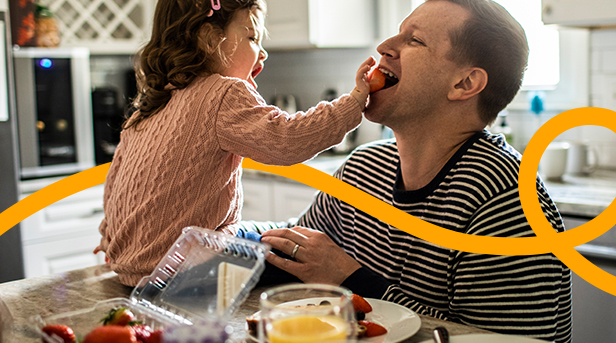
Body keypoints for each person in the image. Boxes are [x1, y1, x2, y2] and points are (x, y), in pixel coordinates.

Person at [235, 0, 572, 342]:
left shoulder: (507, 201)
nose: (383, 48)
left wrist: (351, 278)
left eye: (414, 40)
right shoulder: (364, 167)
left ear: (464, 83)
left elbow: (491, 338)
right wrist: (213, 236)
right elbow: (296, 244)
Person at [95, 0, 376, 287]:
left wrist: (110, 237)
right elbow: (287, 140)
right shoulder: (222, 93)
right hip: (188, 270)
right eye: (252, 37)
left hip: (131, 271)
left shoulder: (147, 108)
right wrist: (352, 104)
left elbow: (115, 186)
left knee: (270, 234)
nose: (262, 51)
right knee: (304, 258)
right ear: (209, 39)